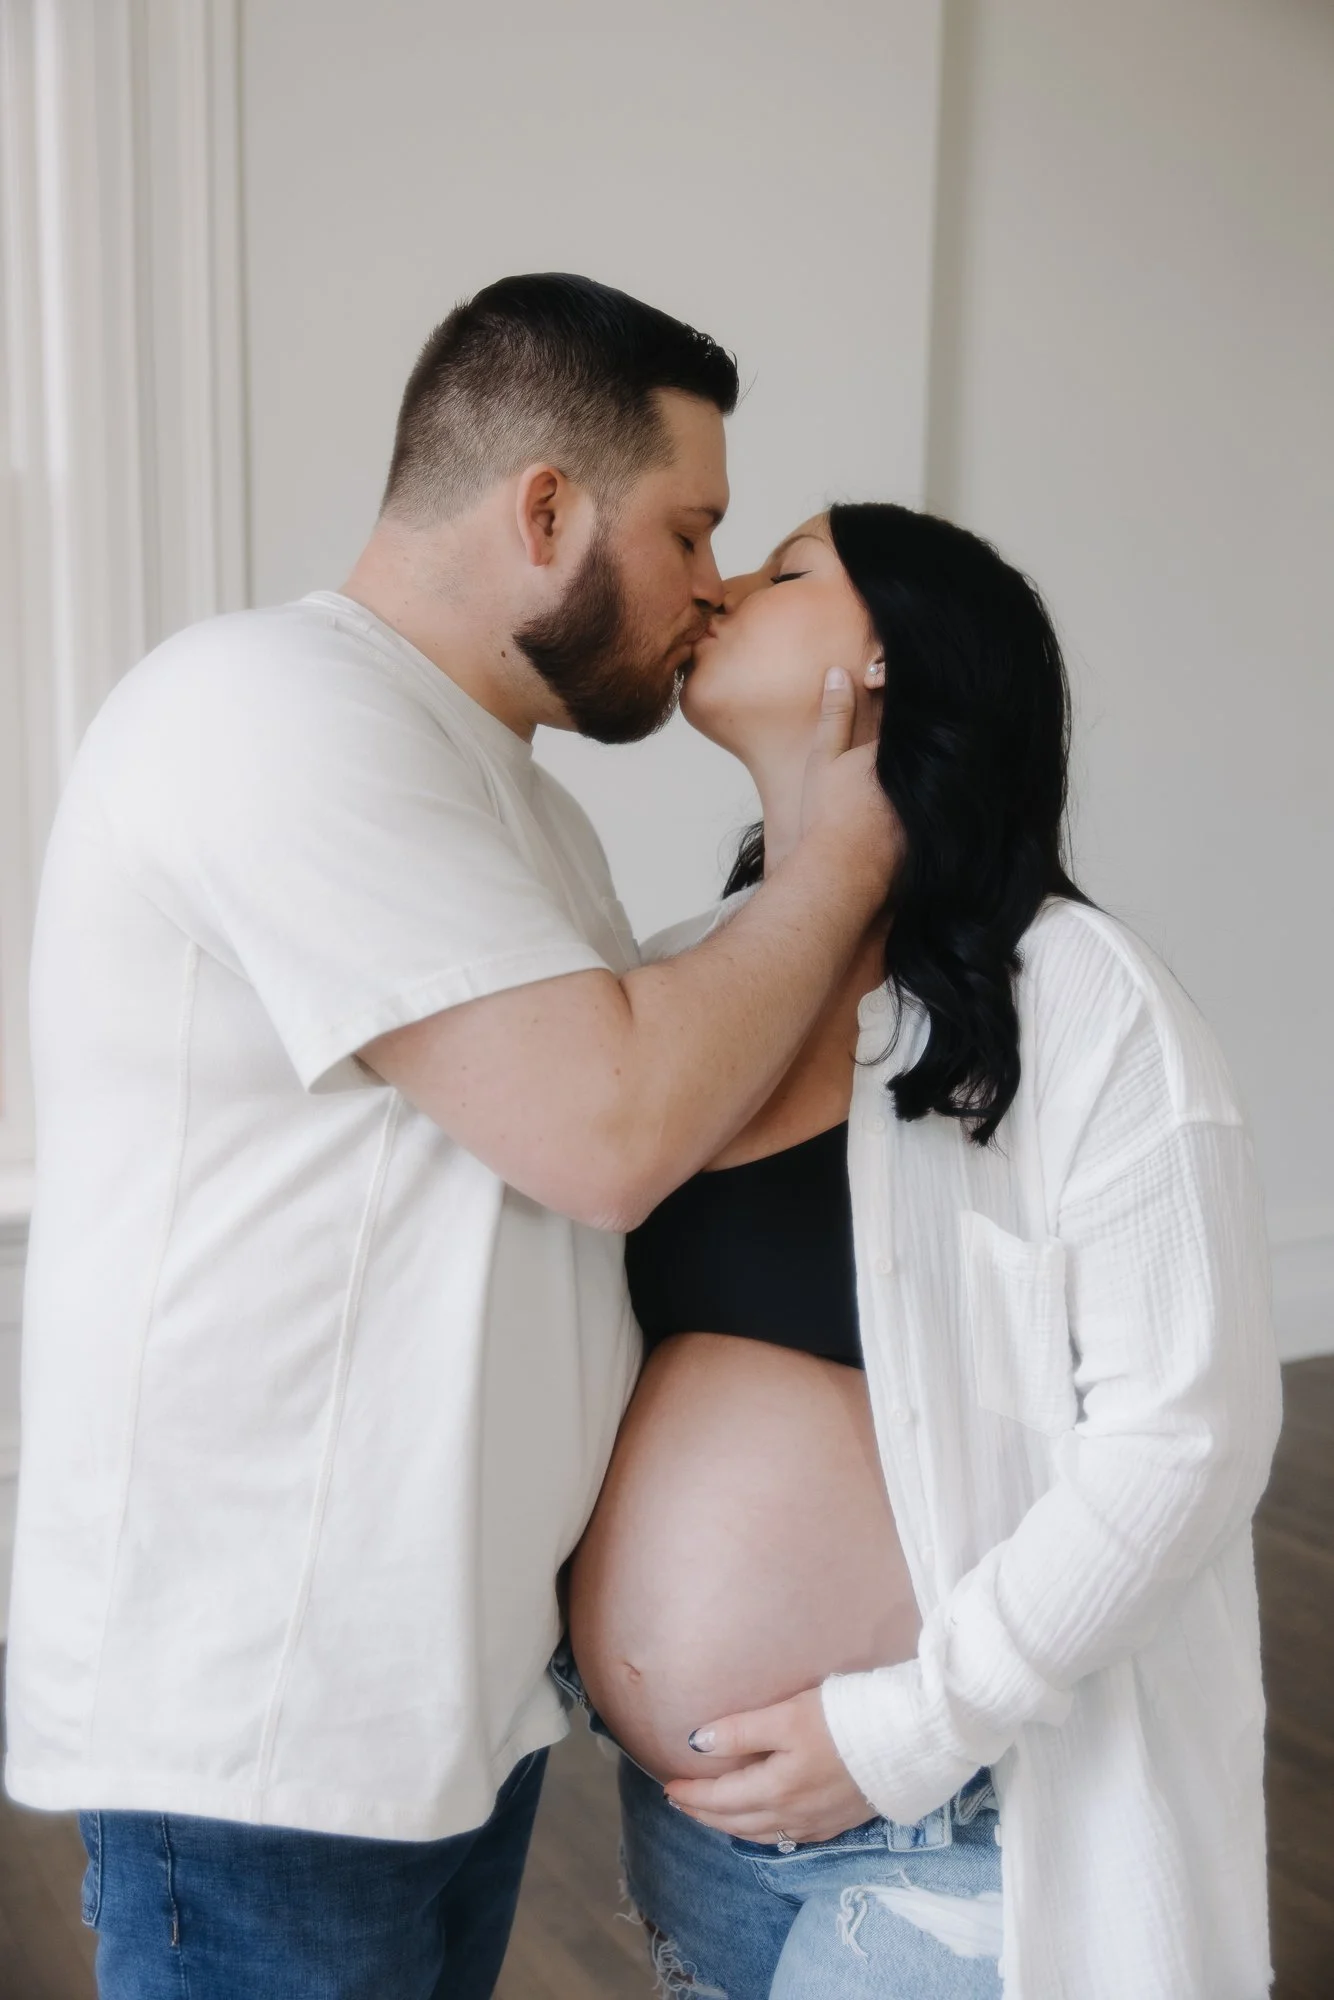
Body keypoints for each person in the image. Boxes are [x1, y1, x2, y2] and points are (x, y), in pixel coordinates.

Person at [3, 276, 901, 2000]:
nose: (711, 585)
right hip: (268, 1724)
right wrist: (842, 857)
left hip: (436, 1703)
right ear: (544, 509)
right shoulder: (265, 707)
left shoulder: (517, 806)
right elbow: (610, 1129)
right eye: (689, 529)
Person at [567, 504, 1281, 2000]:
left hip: (953, 1834)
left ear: (891, 656)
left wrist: (903, 1732)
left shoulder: (1080, 1000)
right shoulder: (679, 979)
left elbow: (1189, 1442)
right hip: (697, 1832)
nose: (720, 586)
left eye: (784, 568)